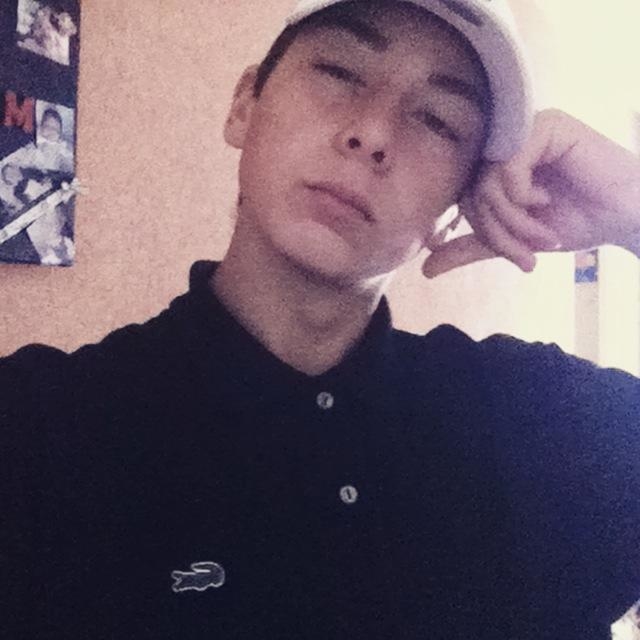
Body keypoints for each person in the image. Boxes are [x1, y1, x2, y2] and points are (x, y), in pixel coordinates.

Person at [1, 0, 639, 638]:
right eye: (339, 72)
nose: (374, 132)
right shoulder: (38, 432)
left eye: (437, 120)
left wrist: (634, 209)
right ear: (244, 106)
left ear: (457, 205)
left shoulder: (543, 423)